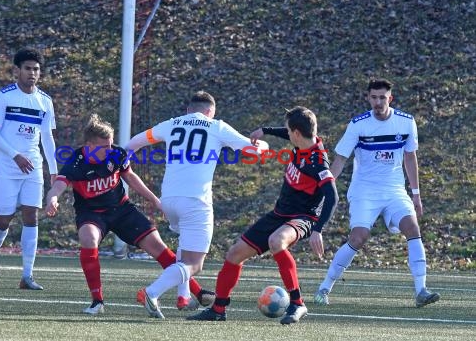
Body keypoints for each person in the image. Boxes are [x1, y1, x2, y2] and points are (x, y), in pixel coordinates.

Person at [44, 114, 215, 316]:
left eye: (110, 145)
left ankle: (198, 291)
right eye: (104, 147)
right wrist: (52, 199)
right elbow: (59, 185)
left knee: (158, 246)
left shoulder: (116, 153)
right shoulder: (76, 161)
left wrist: (155, 201)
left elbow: (130, 177)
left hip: (122, 209)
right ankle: (97, 301)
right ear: (89, 145)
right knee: (88, 238)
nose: (110, 150)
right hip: (91, 213)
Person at [188, 106, 338, 324]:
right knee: (234, 254)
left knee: (277, 241)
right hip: (279, 214)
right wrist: (265, 130)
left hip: (303, 218)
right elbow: (286, 131)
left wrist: (317, 230)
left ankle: (297, 303)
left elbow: (332, 197)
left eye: (288, 131)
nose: (286, 133)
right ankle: (218, 309)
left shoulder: (318, 162)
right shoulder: (302, 141)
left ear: (296, 133)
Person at [126, 91, 269, 319]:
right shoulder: (216, 126)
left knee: (185, 243)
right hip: (195, 201)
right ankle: (151, 292)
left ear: (188, 110)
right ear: (210, 111)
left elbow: (133, 143)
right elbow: (252, 149)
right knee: (195, 264)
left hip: (169, 199)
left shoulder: (171, 124)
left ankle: (183, 297)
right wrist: (263, 144)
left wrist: (122, 159)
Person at [313, 78, 440, 308]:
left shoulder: (406, 122)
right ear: (368, 98)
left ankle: (421, 290)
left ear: (390, 98)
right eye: (374, 97)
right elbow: (341, 159)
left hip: (394, 191)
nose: (378, 102)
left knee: (412, 228)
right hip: (365, 191)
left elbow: (410, 158)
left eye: (382, 97)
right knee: (358, 238)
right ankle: (324, 287)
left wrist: (416, 194)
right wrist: (325, 188)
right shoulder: (358, 124)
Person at [0, 48, 58, 290]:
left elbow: (47, 137)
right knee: (4, 218)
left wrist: (54, 171)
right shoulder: (4, 96)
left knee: (31, 214)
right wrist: (15, 156)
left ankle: (27, 275)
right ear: (17, 70)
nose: (32, 73)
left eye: (36, 69)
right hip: (6, 167)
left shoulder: (44, 101)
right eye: (27, 68)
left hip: (33, 167)